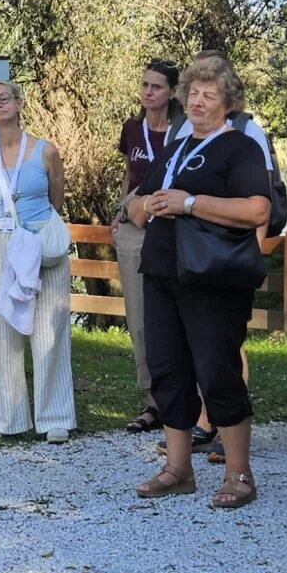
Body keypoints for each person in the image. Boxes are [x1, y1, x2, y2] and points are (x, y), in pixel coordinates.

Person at [128, 53, 275, 508]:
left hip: (212, 278)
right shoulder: (175, 147)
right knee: (168, 369)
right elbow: (138, 202)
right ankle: (178, 469)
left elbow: (257, 210)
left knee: (216, 371)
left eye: (210, 94)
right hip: (162, 271)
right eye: (193, 92)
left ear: (227, 103)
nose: (198, 100)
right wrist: (146, 206)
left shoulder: (240, 148)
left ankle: (239, 474)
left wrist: (190, 203)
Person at [0, 77, 77, 442]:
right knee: (6, 330)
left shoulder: (45, 151)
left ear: (18, 103)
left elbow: (56, 197)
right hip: (1, 241)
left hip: (40, 240)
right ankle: (8, 418)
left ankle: (56, 416)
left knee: (50, 326)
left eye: (3, 99)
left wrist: (35, 234)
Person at [113, 59, 181, 432]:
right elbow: (130, 173)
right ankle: (153, 400)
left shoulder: (182, 130)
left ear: (172, 91)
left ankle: (187, 397)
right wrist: (121, 212)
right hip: (135, 223)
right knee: (138, 317)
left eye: (156, 86)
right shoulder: (132, 129)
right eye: (144, 85)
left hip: (171, 222)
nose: (148, 92)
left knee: (174, 313)